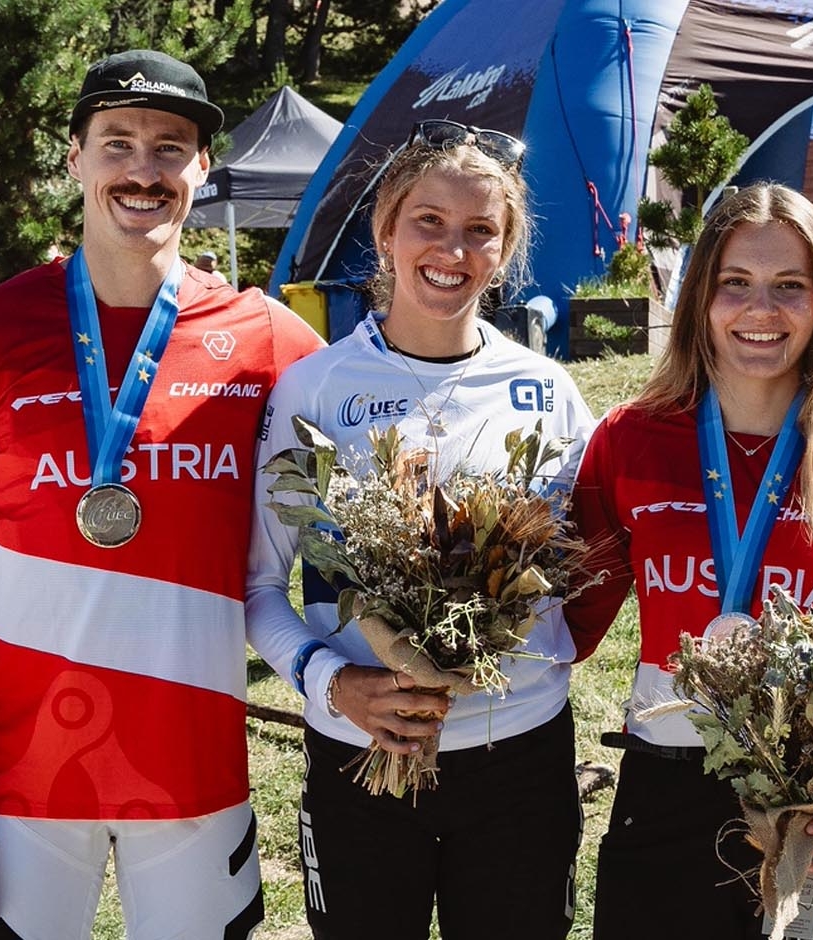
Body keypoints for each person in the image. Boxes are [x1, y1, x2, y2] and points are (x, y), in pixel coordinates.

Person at [0, 49, 323, 940]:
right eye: (116, 142)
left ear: (203, 168)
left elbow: (356, 517)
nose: (143, 169)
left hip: (197, 784)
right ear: (75, 158)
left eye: (171, 147)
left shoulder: (267, 340)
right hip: (29, 787)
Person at [567, 183, 813, 939]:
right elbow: (569, 626)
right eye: (735, 284)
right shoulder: (629, 441)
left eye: (791, 287)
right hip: (667, 794)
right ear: (698, 301)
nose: (761, 310)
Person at [246, 120, 596, 940]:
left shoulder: (547, 392)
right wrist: (333, 683)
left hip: (522, 760)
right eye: (429, 221)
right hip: (358, 758)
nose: (453, 249)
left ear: (506, 251)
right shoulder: (314, 391)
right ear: (386, 231)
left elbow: (579, 575)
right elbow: (257, 587)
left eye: (482, 230)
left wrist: (526, 661)